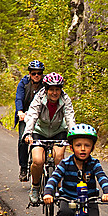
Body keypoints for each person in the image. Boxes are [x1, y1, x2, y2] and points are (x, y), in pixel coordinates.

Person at [22, 72, 75, 205]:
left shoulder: (65, 99)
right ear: (46, 90)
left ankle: (59, 187)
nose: (54, 93)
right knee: (38, 160)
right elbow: (33, 115)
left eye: (57, 89)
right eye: (51, 89)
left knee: (59, 157)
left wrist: (74, 136)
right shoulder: (39, 97)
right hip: (39, 131)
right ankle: (35, 187)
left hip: (59, 131)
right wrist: (27, 134)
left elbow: (70, 118)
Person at [14, 60, 46, 181]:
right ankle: (23, 167)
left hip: (41, 115)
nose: (36, 75)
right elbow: (19, 98)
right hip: (25, 114)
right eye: (34, 73)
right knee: (23, 140)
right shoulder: (24, 83)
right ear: (30, 74)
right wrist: (20, 111)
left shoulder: (45, 84)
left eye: (39, 73)